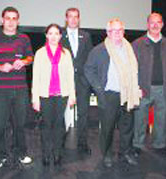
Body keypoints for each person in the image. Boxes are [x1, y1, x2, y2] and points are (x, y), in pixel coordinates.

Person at [0, 6, 33, 169]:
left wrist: (23, 61)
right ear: (2, 20)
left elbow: (30, 57)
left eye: (14, 18)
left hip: (20, 89)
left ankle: (21, 153)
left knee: (20, 124)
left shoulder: (24, 38)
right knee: (0, 124)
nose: (11, 22)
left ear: (18, 21)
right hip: (0, 90)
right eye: (8, 18)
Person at [85, 18, 141, 168]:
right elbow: (88, 69)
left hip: (128, 94)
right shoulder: (99, 49)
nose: (117, 33)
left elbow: (134, 71)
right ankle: (107, 154)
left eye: (120, 30)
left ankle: (125, 152)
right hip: (109, 95)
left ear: (123, 31)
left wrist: (136, 87)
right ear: (108, 32)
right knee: (107, 128)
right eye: (113, 30)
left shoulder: (129, 49)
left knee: (127, 126)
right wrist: (98, 88)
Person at [32, 24, 76, 167]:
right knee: (46, 126)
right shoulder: (40, 53)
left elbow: (71, 76)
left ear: (60, 36)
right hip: (44, 95)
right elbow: (35, 77)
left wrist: (72, 95)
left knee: (58, 126)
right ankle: (46, 154)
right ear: (46, 35)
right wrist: (35, 98)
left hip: (62, 95)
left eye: (56, 33)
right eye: (50, 33)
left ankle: (57, 153)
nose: (53, 36)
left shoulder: (66, 53)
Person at [131, 13, 166, 158]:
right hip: (143, 88)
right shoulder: (137, 43)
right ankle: (137, 144)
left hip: (163, 88)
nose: (155, 25)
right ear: (147, 24)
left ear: (162, 24)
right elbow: (133, 68)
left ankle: (159, 145)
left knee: (161, 118)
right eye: (152, 23)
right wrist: (136, 87)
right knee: (140, 118)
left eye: (158, 22)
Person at [61, 7, 93, 155]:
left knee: (83, 113)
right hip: (64, 81)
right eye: (70, 17)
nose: (73, 19)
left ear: (79, 19)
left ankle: (82, 143)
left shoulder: (86, 36)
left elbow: (90, 58)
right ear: (66, 19)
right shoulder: (58, 35)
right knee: (61, 112)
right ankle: (59, 141)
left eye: (76, 17)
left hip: (82, 81)